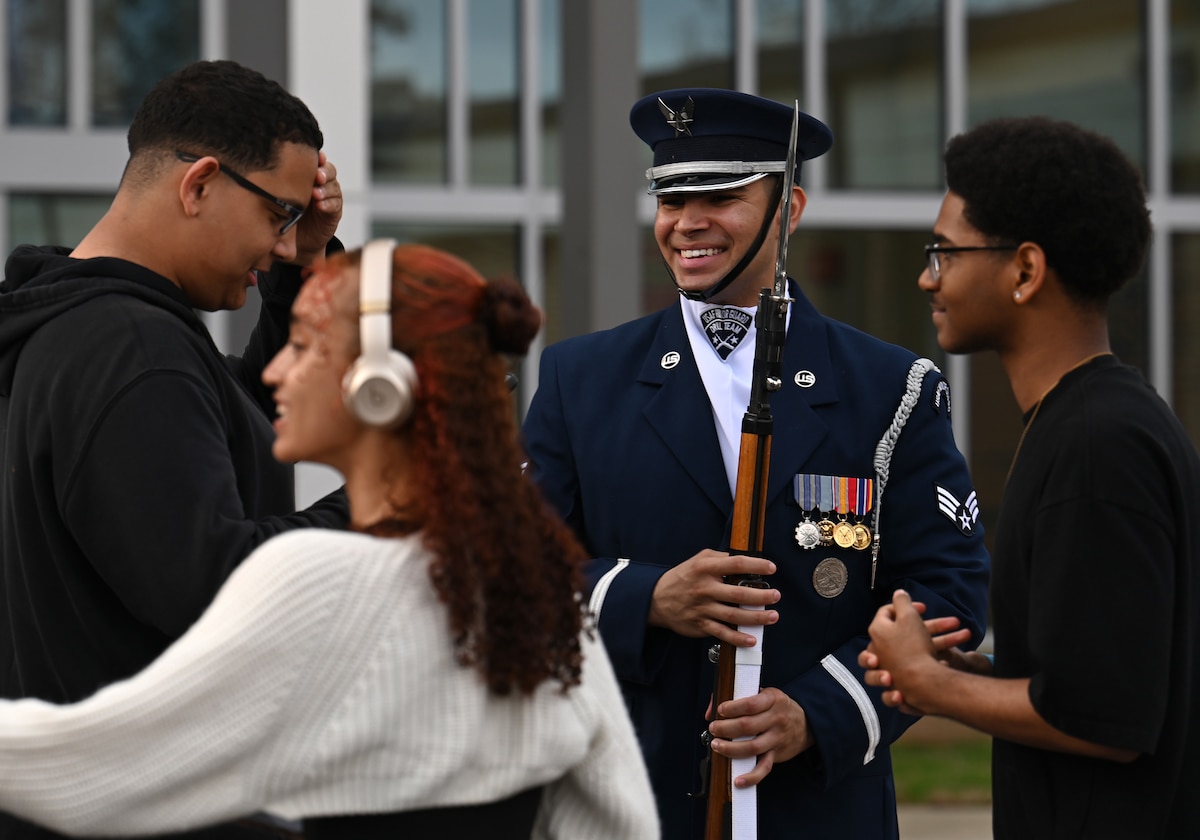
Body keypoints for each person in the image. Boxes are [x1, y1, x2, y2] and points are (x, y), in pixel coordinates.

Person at [0, 240, 659, 839]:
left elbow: (94, 770)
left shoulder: (318, 579)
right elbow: (616, 823)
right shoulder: (539, 594)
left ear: (380, 386)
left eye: (304, 345)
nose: (275, 371)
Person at [521, 87, 990, 839]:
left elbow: (949, 595)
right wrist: (647, 597)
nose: (687, 221)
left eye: (721, 196)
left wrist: (819, 711)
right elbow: (513, 571)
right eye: (671, 199)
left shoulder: (890, 387)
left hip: (819, 809)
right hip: (633, 803)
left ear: (789, 209)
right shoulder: (580, 380)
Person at [0, 60, 349, 839]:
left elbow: (235, 428)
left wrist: (301, 270)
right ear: (199, 185)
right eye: (279, 215)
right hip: (140, 809)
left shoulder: (70, 326)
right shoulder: (133, 349)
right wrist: (386, 499)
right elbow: (216, 585)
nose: (280, 244)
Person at [860, 116, 1200, 839]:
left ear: (1024, 271)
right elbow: (1094, 675)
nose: (927, 277)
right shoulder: (1090, 422)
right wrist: (973, 672)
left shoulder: (1097, 445)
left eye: (945, 252)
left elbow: (1104, 721)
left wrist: (930, 684)